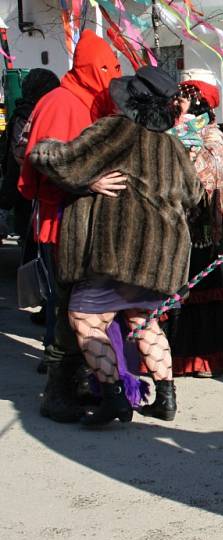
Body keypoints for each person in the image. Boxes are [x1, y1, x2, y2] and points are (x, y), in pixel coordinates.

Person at [27, 66, 203, 426]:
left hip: (115, 250)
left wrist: (41, 147)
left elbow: (63, 162)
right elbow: (194, 195)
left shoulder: (113, 130)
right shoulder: (172, 146)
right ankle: (166, 399)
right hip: (162, 255)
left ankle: (114, 400)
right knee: (145, 319)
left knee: (85, 319)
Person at [18, 30, 127, 423]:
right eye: (103, 67)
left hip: (87, 225)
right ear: (84, 69)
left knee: (87, 307)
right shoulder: (61, 102)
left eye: (115, 67)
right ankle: (57, 392)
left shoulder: (93, 102)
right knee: (69, 308)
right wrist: (88, 181)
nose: (110, 74)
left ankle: (83, 381)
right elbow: (42, 162)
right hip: (62, 225)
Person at [160, 78, 223, 379]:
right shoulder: (173, 130)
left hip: (199, 228)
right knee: (176, 291)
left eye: (185, 97)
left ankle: (207, 358)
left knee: (200, 290)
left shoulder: (211, 135)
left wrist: (187, 148)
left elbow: (211, 177)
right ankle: (176, 355)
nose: (178, 101)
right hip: (173, 225)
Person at [0, 68, 59, 238]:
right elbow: (20, 155)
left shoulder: (27, 113)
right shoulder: (24, 115)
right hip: (27, 189)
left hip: (27, 188)